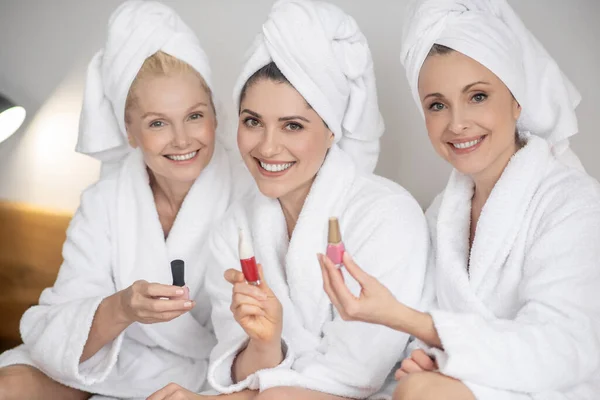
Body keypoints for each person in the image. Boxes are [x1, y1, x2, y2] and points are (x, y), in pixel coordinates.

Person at [319, 0, 600, 399]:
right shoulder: (442, 215)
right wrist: (431, 357)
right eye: (437, 105)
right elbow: (439, 340)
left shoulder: (573, 203)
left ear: (517, 100)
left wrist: (408, 321)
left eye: (478, 96)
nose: (457, 123)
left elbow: (564, 350)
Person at [149, 1, 429, 399]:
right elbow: (239, 370)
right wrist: (265, 342)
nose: (267, 146)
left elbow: (357, 372)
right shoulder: (236, 228)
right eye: (252, 122)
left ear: (332, 130)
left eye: (292, 126)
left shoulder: (386, 215)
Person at [0, 1, 234, 399]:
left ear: (215, 114)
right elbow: (63, 320)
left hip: (211, 369)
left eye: (194, 115)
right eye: (157, 122)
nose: (181, 139)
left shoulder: (252, 193)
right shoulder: (105, 201)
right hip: (113, 356)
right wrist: (122, 307)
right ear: (129, 131)